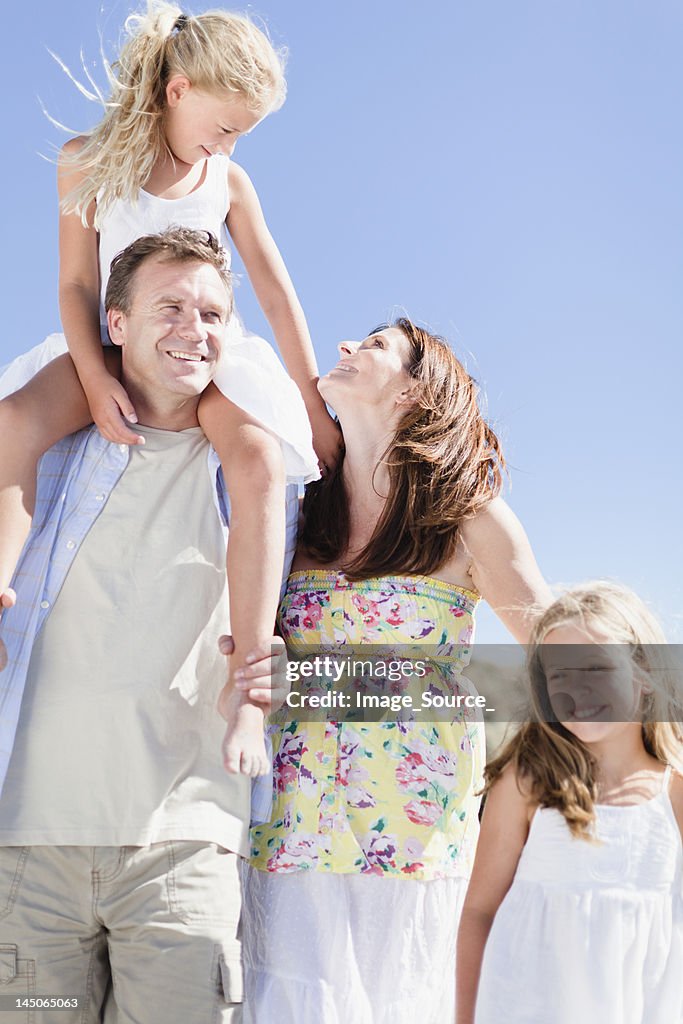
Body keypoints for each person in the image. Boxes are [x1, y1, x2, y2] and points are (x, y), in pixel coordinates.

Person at [0, 1, 340, 778]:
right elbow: (76, 283)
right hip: (114, 341)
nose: (229, 145)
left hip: (201, 349)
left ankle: (248, 685)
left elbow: (276, 292)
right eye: (226, 127)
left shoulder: (228, 181)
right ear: (178, 89)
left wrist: (310, 399)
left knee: (254, 455)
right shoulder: (87, 160)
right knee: (14, 419)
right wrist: (92, 376)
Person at [0, 227, 295, 1022]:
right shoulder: (55, 437)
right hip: (29, 844)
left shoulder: (255, 459)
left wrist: (269, 676)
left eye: (210, 312)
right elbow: (10, 437)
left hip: (183, 839)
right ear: (116, 323)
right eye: (169, 306)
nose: (192, 329)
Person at [237, 318, 552, 1024]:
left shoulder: (468, 519)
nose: (345, 347)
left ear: (415, 388)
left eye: (373, 344)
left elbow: (568, 658)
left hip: (409, 838)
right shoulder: (291, 515)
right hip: (288, 828)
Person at [456, 581, 683, 1024]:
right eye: (559, 674)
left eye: (596, 669)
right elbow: (479, 911)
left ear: (644, 677)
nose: (576, 690)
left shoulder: (673, 791)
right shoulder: (529, 780)